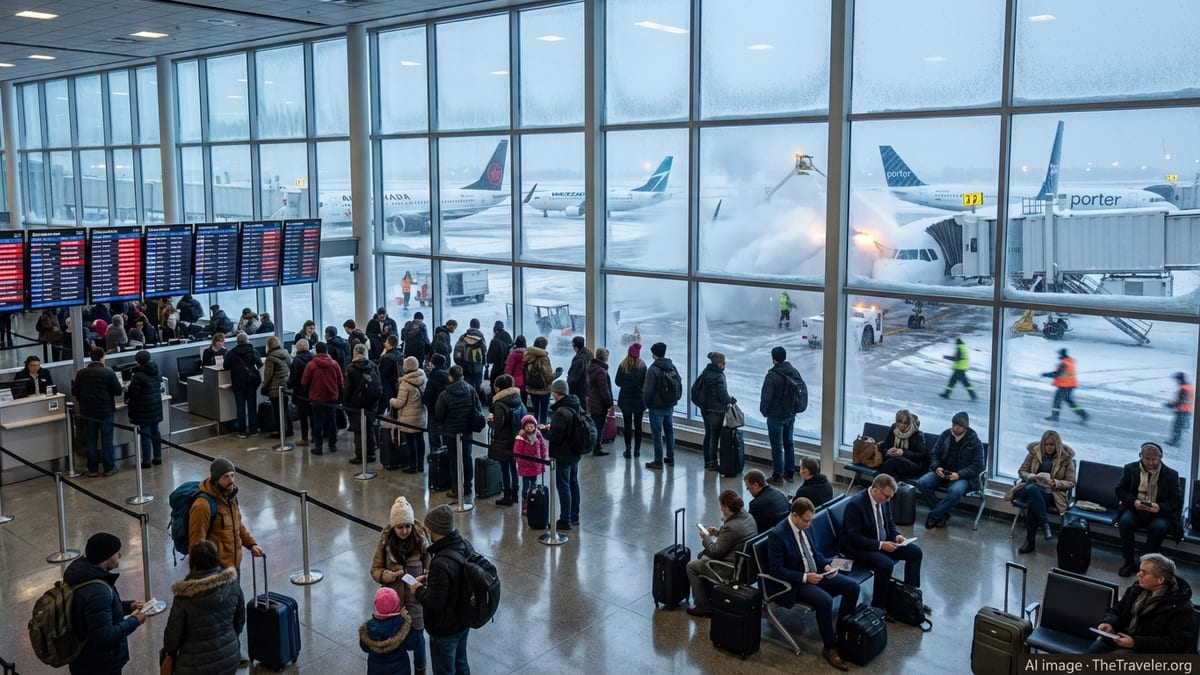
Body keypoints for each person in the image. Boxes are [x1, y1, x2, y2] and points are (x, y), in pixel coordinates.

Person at [767, 498, 859, 672]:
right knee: (824, 600)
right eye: (806, 520)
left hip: (816, 572)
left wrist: (826, 566)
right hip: (795, 582)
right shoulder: (778, 535)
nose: (809, 524)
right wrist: (804, 577)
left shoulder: (806, 527)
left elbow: (815, 552)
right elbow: (776, 570)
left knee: (852, 587)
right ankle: (829, 647)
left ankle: (843, 632)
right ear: (794, 516)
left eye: (811, 520)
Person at [63, 532, 148, 675]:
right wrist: (135, 620)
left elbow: (98, 614)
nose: (120, 555)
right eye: (116, 553)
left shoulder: (83, 574)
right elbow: (104, 636)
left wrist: (129, 606)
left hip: (83, 659)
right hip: (99, 664)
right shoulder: (98, 591)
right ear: (105, 558)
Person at [841, 474, 925, 616]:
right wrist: (880, 545)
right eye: (887, 496)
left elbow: (889, 523)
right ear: (875, 490)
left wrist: (896, 535)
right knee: (885, 564)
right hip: (858, 548)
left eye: (891, 497)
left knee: (915, 552)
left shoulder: (883, 500)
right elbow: (854, 538)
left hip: (881, 542)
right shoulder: (855, 505)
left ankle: (911, 595)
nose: (889, 500)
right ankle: (879, 606)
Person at [161, 539, 245, 675]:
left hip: (193, 666)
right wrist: (230, 638)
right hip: (229, 657)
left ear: (193, 562)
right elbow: (240, 619)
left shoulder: (184, 596)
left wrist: (169, 652)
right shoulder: (232, 584)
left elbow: (173, 636)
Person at [1086, 553, 1196, 654]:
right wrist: (1110, 623)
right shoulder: (1136, 588)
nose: (1138, 575)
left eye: (1144, 573)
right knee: (1095, 650)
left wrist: (1135, 642)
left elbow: (1176, 644)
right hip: (1125, 639)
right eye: (1140, 570)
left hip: (1149, 651)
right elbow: (1117, 609)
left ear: (1160, 580)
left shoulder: (1182, 607)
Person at [410, 504, 474, 675]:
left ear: (436, 530)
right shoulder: (464, 545)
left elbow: (434, 601)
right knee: (461, 664)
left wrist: (417, 589)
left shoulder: (440, 562)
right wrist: (435, 579)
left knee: (444, 670)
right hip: (463, 620)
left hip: (445, 628)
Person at [370, 497, 429, 673]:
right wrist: (391, 575)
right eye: (400, 527)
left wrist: (426, 576)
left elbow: (430, 564)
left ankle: (420, 669)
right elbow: (375, 570)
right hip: (393, 605)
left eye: (407, 526)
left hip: (416, 601)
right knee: (396, 641)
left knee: (418, 638)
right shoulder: (385, 543)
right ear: (393, 527)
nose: (404, 531)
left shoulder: (421, 541)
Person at [685, 489, 759, 617]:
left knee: (691, 566)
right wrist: (718, 533)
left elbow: (715, 552)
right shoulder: (748, 517)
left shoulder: (731, 526)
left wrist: (706, 537)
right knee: (701, 556)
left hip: (729, 568)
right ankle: (707, 594)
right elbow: (736, 538)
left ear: (725, 507)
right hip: (747, 565)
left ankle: (703, 606)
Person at [1115, 442, 1183, 577]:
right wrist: (1133, 501)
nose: (1150, 462)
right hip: (1136, 508)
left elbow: (1176, 500)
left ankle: (1145, 564)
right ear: (1141, 456)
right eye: (1147, 458)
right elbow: (1120, 490)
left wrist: (1160, 508)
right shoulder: (1130, 469)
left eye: (1154, 459)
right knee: (1125, 522)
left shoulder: (1171, 474)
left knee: (1159, 528)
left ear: (1160, 458)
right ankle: (1128, 562)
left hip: (1159, 512)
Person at [1004, 430, 1076, 554]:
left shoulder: (1065, 458)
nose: (1048, 447)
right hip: (1028, 488)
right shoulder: (1034, 453)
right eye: (1046, 444)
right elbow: (1022, 471)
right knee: (1032, 489)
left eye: (1052, 445)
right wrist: (1032, 476)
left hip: (1050, 493)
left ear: (1057, 445)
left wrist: (1055, 483)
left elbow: (1071, 482)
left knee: (1033, 502)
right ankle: (1045, 525)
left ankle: (1030, 542)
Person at [189, 457, 264, 570]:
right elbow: (196, 542)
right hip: (216, 569)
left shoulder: (230, 495)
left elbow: (237, 524)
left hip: (234, 564)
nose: (231, 480)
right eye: (226, 477)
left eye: (232, 475)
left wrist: (251, 544)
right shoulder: (202, 505)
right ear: (215, 480)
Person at [917, 411, 984, 529]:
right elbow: (935, 454)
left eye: (958, 426)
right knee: (922, 483)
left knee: (955, 492)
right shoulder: (946, 435)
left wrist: (959, 474)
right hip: (943, 472)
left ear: (965, 427)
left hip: (962, 476)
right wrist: (937, 467)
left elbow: (978, 466)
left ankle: (934, 514)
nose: (954, 428)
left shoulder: (974, 441)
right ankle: (943, 514)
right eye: (953, 424)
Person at [73, 348, 124, 477]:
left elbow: (75, 392)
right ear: (102, 357)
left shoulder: (81, 373)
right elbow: (118, 391)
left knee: (90, 440)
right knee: (107, 440)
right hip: (105, 411)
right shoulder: (108, 372)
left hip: (88, 411)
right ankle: (109, 468)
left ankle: (92, 469)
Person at [760, 346, 805, 483]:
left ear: (773, 359)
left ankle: (777, 476)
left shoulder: (772, 376)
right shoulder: (794, 372)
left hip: (775, 416)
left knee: (777, 447)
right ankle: (790, 473)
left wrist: (764, 411)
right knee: (789, 443)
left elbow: (766, 396)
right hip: (790, 414)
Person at [436, 364, 482, 498]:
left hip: (451, 432)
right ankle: (468, 486)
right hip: (467, 431)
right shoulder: (471, 390)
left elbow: (439, 414)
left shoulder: (445, 394)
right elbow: (478, 408)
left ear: (450, 377)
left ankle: (456, 488)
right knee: (467, 458)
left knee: (454, 461)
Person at [546, 379, 585, 530]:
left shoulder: (561, 412)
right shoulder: (575, 406)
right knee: (573, 483)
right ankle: (574, 516)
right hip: (575, 451)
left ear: (556, 393)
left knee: (563, 486)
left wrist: (545, 431)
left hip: (563, 454)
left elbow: (555, 436)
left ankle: (565, 519)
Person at [360, 587, 421, 675]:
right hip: (401, 670)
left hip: (375, 670)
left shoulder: (368, 627)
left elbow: (364, 647)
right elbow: (413, 643)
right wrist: (407, 619)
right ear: (397, 605)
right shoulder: (403, 625)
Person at [488, 373, 524, 506]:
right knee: (514, 468)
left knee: (504, 468)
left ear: (499, 388)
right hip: (515, 439)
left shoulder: (500, 404)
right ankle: (515, 494)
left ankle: (507, 495)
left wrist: (490, 422)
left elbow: (498, 424)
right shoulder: (517, 398)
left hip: (503, 441)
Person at [643, 342, 680, 470]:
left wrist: (646, 404)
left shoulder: (653, 369)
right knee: (669, 431)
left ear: (653, 354)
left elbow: (648, 390)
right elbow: (679, 382)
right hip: (669, 405)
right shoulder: (671, 366)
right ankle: (670, 457)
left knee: (657, 434)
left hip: (656, 406)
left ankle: (658, 460)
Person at [692, 351, 731, 472]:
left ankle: (707, 461)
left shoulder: (705, 373)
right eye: (724, 363)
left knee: (708, 435)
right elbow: (723, 396)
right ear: (720, 364)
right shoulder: (719, 377)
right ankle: (713, 462)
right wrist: (731, 401)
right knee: (714, 437)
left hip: (705, 409)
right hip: (717, 411)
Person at [302, 341, 343, 455]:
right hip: (331, 396)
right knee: (332, 421)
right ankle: (332, 444)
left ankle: (318, 447)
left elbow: (304, 381)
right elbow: (340, 381)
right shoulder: (334, 364)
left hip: (316, 397)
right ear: (326, 351)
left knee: (317, 422)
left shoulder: (311, 365)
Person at [346, 342, 383, 465]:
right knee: (370, 428)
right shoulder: (373, 365)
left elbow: (348, 389)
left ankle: (360, 455)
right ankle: (371, 453)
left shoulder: (351, 368)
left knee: (358, 431)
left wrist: (346, 404)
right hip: (372, 403)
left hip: (357, 405)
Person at [125, 350, 163, 469]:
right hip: (155, 405)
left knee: (145, 434)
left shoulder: (138, 376)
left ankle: (146, 461)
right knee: (155, 431)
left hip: (143, 408)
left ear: (138, 362)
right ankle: (158, 457)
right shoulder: (156, 371)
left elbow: (133, 393)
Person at [389, 356, 428, 473]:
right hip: (420, 414)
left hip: (409, 416)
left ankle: (412, 466)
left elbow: (399, 403)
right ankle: (420, 465)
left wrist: (391, 401)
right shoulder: (422, 377)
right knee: (420, 439)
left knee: (411, 442)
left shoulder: (405, 383)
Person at [224, 332, 262, 438]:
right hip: (251, 383)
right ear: (247, 340)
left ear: (237, 342)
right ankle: (253, 430)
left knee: (240, 407)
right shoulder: (253, 351)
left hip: (238, 384)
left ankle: (242, 431)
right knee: (252, 407)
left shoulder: (231, 353)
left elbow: (226, 365)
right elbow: (260, 364)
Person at [614, 342, 647, 459]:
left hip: (625, 399)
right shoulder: (643, 366)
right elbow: (645, 384)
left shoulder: (623, 366)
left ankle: (628, 449)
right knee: (638, 425)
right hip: (639, 400)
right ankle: (637, 450)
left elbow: (617, 382)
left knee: (627, 424)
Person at [877, 409, 928, 480]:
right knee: (893, 463)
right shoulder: (894, 429)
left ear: (909, 423)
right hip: (893, 460)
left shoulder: (916, 434)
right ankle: (881, 486)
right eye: (899, 422)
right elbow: (885, 445)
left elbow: (922, 455)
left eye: (905, 423)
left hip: (912, 464)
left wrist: (903, 452)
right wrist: (888, 451)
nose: (902, 425)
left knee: (894, 462)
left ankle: (877, 485)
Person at [258, 335, 291, 438]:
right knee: (286, 409)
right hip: (285, 385)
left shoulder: (271, 358)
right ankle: (288, 429)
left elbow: (268, 375)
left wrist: (264, 387)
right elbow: (290, 365)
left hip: (275, 387)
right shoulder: (285, 353)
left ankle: (280, 431)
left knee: (277, 411)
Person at [1042, 348, 1088, 423]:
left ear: (1061, 355)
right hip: (1070, 385)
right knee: (1070, 402)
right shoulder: (1069, 361)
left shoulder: (1064, 363)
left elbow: (1057, 374)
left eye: (1059, 354)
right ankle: (1083, 415)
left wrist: (1046, 374)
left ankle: (1055, 416)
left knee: (1057, 401)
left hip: (1064, 386)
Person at [514, 414, 548, 514]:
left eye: (532, 426)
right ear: (524, 427)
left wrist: (543, 459)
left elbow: (543, 447)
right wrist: (520, 462)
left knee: (534, 486)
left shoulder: (538, 435)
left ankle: (533, 502)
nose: (530, 428)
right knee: (525, 487)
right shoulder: (520, 438)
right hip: (525, 467)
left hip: (535, 466)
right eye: (528, 426)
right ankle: (525, 505)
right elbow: (517, 452)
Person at [522, 336, 559, 424]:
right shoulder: (543, 358)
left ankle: (533, 428)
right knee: (543, 411)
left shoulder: (528, 355)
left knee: (535, 410)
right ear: (544, 346)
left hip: (532, 388)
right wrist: (557, 374)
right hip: (544, 390)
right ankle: (541, 430)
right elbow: (548, 375)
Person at [585, 347, 614, 457]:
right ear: (605, 357)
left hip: (592, 401)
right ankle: (597, 447)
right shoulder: (601, 371)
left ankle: (591, 446)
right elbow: (604, 390)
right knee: (599, 427)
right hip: (599, 403)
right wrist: (608, 404)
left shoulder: (591, 368)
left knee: (594, 425)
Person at [287, 339, 315, 447]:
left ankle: (304, 438)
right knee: (313, 415)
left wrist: (289, 384)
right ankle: (315, 436)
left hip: (300, 393)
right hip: (312, 391)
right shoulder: (313, 359)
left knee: (303, 417)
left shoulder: (297, 361)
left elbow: (293, 378)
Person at [745, 469, 790, 534]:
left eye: (748, 488)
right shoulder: (780, 494)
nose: (748, 491)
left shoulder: (755, 504)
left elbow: (752, 527)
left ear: (755, 485)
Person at [423, 353, 451, 454]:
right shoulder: (448, 376)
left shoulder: (433, 378)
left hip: (433, 411)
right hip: (446, 412)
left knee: (434, 438)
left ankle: (435, 460)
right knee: (446, 438)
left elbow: (427, 397)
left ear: (433, 364)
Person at [452, 318, 487, 395]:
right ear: (478, 326)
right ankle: (476, 400)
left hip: (466, 366)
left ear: (470, 325)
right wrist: (483, 364)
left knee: (467, 386)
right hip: (478, 367)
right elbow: (484, 351)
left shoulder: (463, 337)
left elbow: (458, 350)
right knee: (477, 386)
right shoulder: (481, 338)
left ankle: (468, 400)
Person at [1165, 372, 1193, 447]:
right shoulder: (1189, 387)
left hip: (1182, 411)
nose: (1176, 382)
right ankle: (1177, 441)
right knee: (1181, 427)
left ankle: (1175, 442)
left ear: (1179, 379)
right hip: (1187, 410)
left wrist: (1171, 405)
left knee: (1177, 427)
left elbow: (1181, 400)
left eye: (1176, 379)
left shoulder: (1183, 388)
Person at [486, 320, 513, 391]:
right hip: (508, 370)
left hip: (497, 370)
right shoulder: (509, 339)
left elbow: (489, 359)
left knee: (495, 389)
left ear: (495, 330)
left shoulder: (495, 341)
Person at [379, 334, 404, 404]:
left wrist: (381, 357)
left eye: (386, 342)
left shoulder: (386, 357)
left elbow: (382, 373)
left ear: (389, 344)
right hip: (399, 383)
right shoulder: (401, 355)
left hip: (388, 385)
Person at [502, 334, 528, 399]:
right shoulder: (528, 354)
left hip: (515, 383)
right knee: (523, 402)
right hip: (526, 383)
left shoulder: (513, 354)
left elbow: (508, 370)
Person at [567, 335, 592, 401]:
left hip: (579, 389)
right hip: (586, 387)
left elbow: (574, 376)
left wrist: (568, 388)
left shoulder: (579, 359)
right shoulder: (589, 354)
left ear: (575, 346)